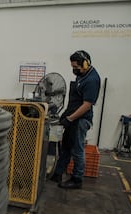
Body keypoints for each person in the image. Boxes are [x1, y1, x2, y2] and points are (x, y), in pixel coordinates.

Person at [50, 50, 101, 189]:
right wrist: (65, 115)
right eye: (72, 67)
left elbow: (86, 105)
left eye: (76, 67)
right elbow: (75, 100)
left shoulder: (92, 80)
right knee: (65, 146)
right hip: (73, 117)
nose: (74, 70)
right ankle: (58, 173)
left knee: (77, 150)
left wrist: (70, 119)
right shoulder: (82, 76)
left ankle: (77, 179)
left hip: (81, 120)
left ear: (85, 64)